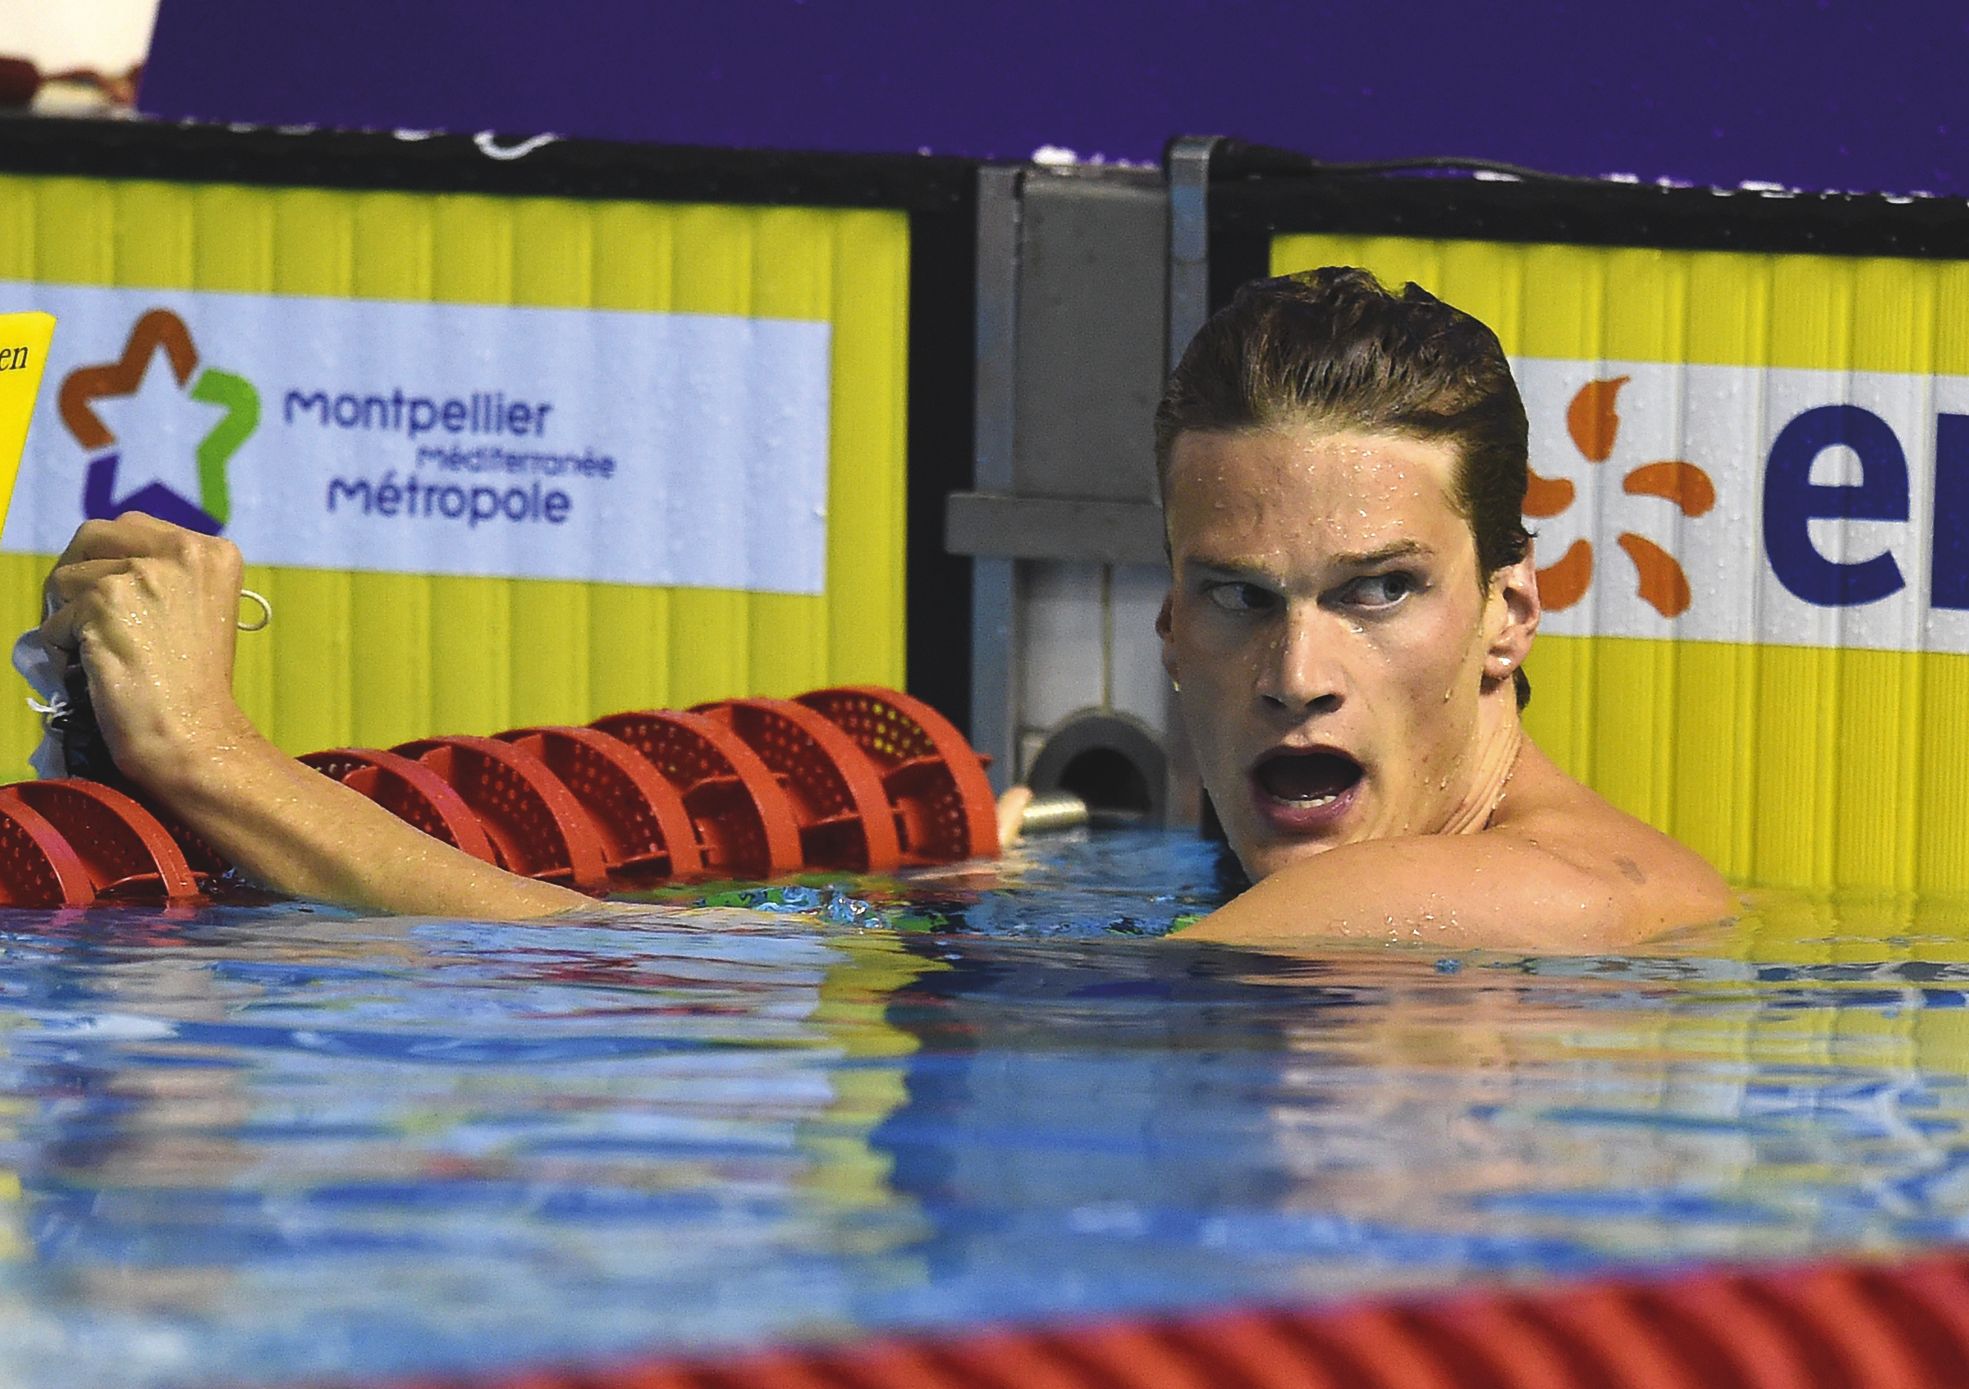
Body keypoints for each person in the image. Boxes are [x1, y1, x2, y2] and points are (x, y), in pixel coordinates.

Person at [38, 267, 1733, 946]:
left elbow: (668, 990)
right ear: (1165, 628)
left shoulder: (1473, 905)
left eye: (1379, 594)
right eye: (1238, 598)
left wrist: (207, 754)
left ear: (1512, 611)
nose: (1296, 671)